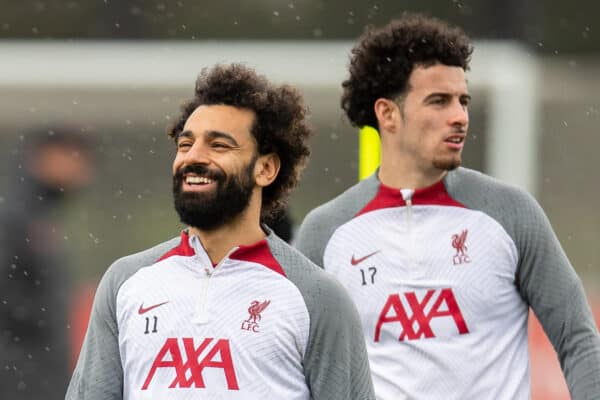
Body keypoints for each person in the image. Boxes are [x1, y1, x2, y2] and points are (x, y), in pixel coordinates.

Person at [295, 13, 600, 400]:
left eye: (463, 101)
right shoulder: (325, 232)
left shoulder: (511, 213)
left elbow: (578, 338)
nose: (459, 117)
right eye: (439, 101)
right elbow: (298, 368)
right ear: (387, 113)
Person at [66, 63, 375, 400]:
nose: (193, 157)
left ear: (266, 168)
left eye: (219, 145)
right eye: (185, 145)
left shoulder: (318, 296)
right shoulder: (124, 281)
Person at [0, 125, 94, 399]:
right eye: (73, 156)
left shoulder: (41, 216)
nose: (82, 169)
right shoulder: (14, 217)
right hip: (17, 379)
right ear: (44, 155)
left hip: (39, 377)